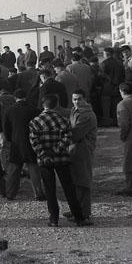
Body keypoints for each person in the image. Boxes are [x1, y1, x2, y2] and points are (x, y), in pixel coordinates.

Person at [29, 94, 89, 227]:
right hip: (61, 158)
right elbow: (67, 138)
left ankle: (53, 219)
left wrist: (44, 154)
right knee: (69, 188)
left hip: (44, 160)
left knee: (50, 190)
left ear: (43, 105)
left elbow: (34, 142)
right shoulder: (63, 120)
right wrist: (56, 150)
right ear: (56, 105)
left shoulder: (35, 122)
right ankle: (79, 218)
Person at [3, 89, 43, 200]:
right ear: (26, 97)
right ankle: (38, 193)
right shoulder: (34, 110)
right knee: (33, 168)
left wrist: (10, 139)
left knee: (14, 169)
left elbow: (6, 128)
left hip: (16, 142)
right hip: (31, 141)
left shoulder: (9, 110)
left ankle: (10, 193)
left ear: (15, 98)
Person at [67, 90, 97, 221]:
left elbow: (75, 134)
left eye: (79, 99)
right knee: (75, 180)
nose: (76, 102)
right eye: (74, 99)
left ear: (85, 99)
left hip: (83, 150)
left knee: (83, 181)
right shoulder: (75, 111)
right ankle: (76, 209)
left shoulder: (86, 115)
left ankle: (83, 213)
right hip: (75, 150)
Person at [115, 82, 132, 196]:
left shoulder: (122, 104)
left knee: (130, 161)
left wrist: (123, 136)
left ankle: (129, 187)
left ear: (122, 91)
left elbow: (124, 124)